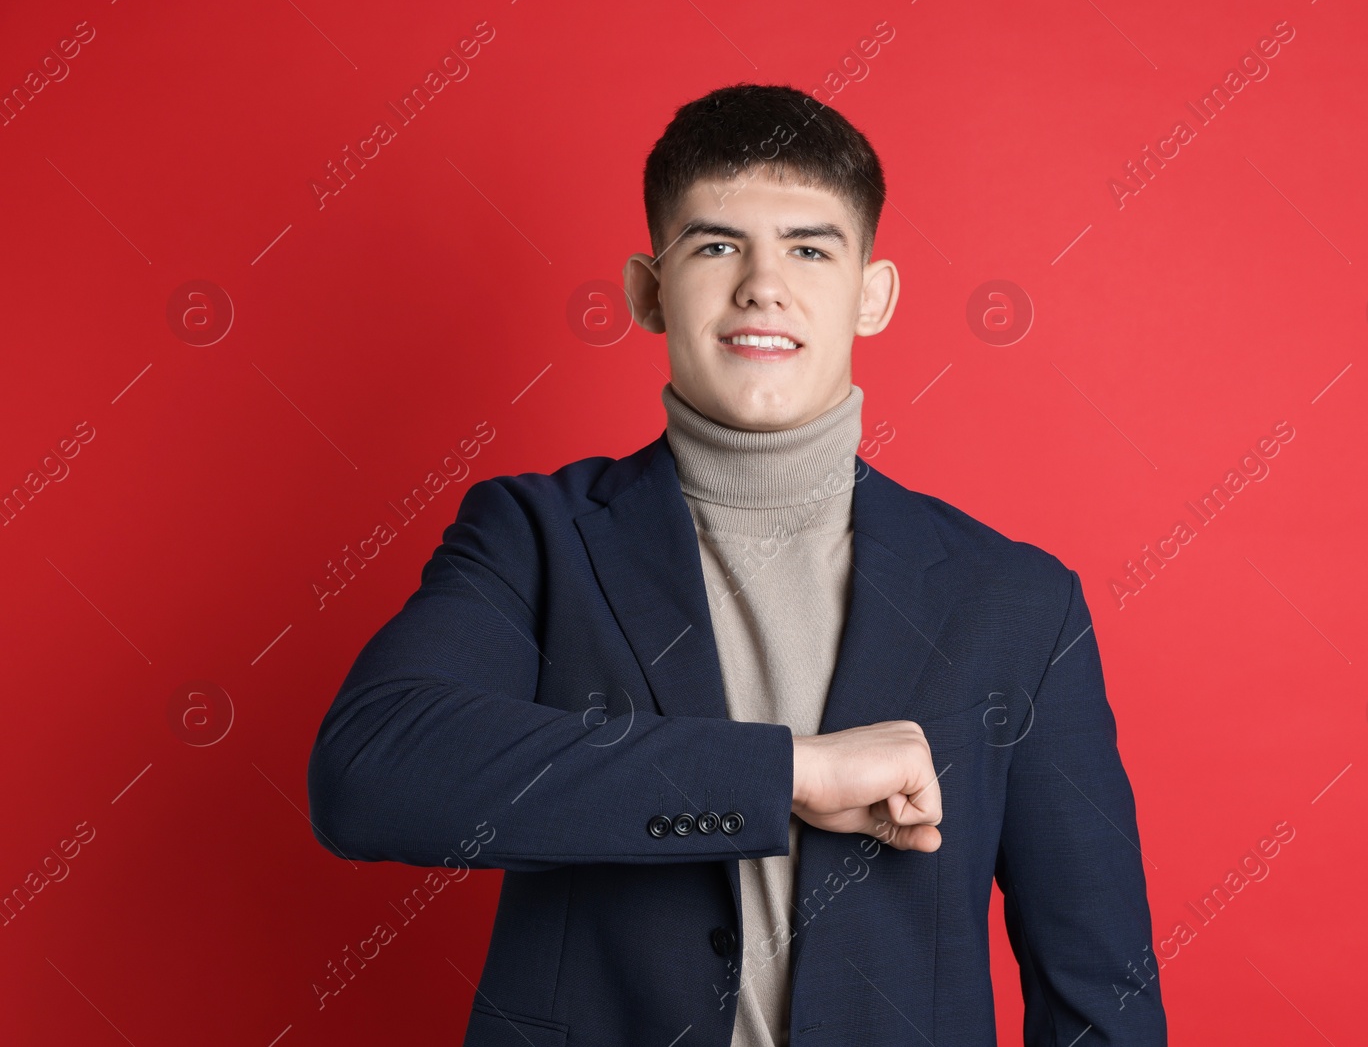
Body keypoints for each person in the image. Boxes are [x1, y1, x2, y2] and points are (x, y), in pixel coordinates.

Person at [306, 82, 1166, 1046]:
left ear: (873, 296)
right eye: (717, 245)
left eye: (809, 248)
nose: (764, 283)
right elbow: (369, 773)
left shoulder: (1018, 602)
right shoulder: (533, 536)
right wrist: (788, 774)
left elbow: (1100, 989)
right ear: (647, 288)